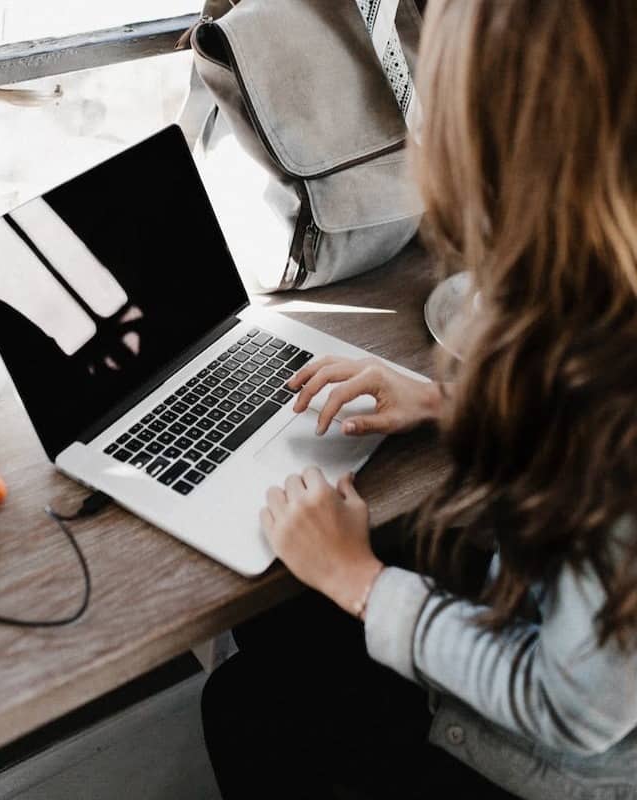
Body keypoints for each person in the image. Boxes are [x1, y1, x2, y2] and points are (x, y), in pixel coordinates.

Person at [200, 1, 637, 798]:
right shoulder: (602, 303)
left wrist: (358, 581)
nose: (423, 132)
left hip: (569, 766)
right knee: (278, 613)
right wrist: (447, 403)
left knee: (246, 706)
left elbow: (575, 708)